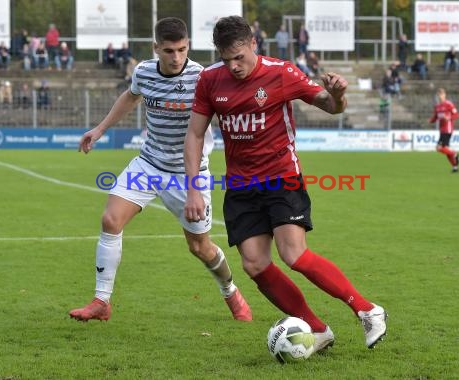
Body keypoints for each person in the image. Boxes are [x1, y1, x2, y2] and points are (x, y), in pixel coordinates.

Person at [184, 15, 387, 352]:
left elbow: (330, 107)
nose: (233, 66)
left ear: (253, 44)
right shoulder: (209, 80)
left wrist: (338, 96)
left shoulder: (281, 72)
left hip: (281, 176)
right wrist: (193, 188)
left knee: (293, 254)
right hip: (241, 185)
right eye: (226, 59)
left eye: (239, 57)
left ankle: (367, 309)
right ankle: (319, 329)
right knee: (254, 263)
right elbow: (194, 133)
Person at [70, 17, 252, 323]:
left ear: (188, 46)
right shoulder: (143, 72)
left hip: (188, 174)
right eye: (169, 50)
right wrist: (99, 129)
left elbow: (228, 112)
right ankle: (101, 301)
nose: (176, 57)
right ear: (156, 48)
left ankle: (230, 291)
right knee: (110, 219)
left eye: (182, 49)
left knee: (200, 247)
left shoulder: (203, 77)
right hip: (149, 163)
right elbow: (130, 96)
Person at [428, 88, 459, 173]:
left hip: (448, 129)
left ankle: (454, 153)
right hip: (442, 130)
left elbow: (456, 115)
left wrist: (449, 118)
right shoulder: (437, 107)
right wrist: (430, 120)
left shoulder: (449, 104)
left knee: (439, 148)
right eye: (438, 95)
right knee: (446, 149)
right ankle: (455, 167)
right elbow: (435, 117)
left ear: (445, 95)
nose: (440, 96)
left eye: (441, 94)